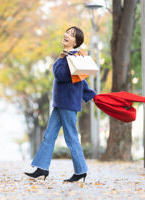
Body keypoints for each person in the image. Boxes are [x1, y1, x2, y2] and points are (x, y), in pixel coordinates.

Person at [24, 26, 96, 182]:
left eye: (71, 35)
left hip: (68, 104)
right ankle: (42, 168)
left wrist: (61, 58)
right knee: (49, 136)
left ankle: (81, 171)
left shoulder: (73, 57)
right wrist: (89, 94)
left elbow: (60, 74)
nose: (67, 35)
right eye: (67, 32)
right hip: (60, 103)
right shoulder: (70, 56)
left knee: (71, 137)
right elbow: (81, 81)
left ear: (76, 42)